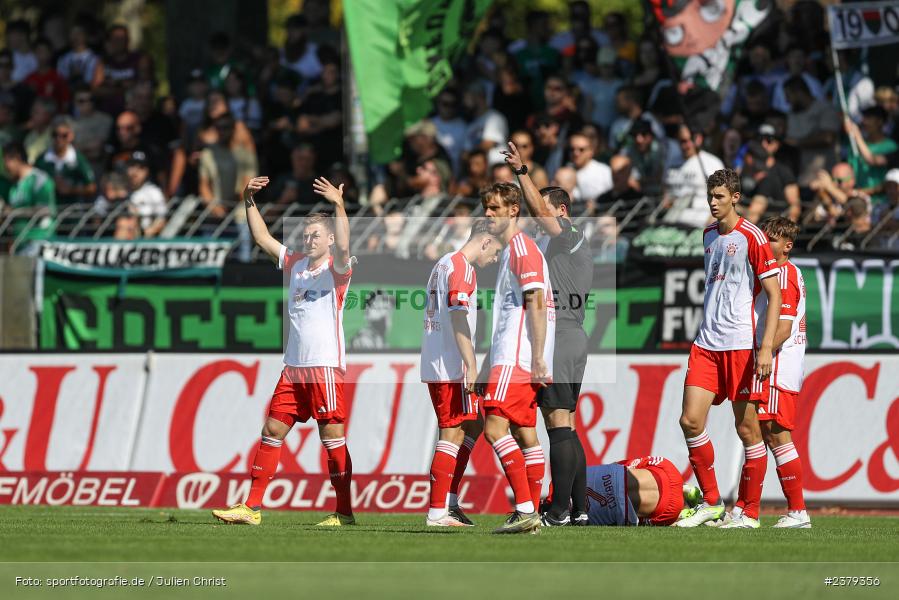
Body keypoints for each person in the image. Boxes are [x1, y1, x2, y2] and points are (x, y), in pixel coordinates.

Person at [213, 175, 356, 527]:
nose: (308, 240)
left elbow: (344, 243)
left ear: (331, 239)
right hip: (293, 369)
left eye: (316, 235)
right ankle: (252, 507)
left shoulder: (338, 270)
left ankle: (344, 511)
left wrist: (338, 205)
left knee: (332, 439)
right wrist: (247, 200)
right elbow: (262, 238)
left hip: (324, 367)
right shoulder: (295, 265)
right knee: (272, 431)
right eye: (306, 235)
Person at [675, 168, 782, 529]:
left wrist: (765, 347)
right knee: (690, 420)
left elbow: (774, 294)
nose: (713, 203)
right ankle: (711, 502)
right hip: (707, 343)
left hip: (741, 345)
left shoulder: (753, 236)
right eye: (710, 196)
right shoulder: (707, 235)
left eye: (719, 197)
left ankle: (749, 512)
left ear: (735, 197)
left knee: (748, 430)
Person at [504, 141, 593, 527]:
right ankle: (578, 508)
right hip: (573, 335)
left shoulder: (569, 233)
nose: (537, 213)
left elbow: (542, 213)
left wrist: (522, 173)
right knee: (567, 424)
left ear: (562, 210)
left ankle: (556, 510)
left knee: (557, 423)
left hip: (563, 334)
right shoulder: (554, 244)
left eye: (545, 207)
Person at [474, 182, 555, 535]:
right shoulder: (512, 251)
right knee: (526, 434)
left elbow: (536, 303)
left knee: (494, 429)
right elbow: (510, 312)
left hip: (517, 356)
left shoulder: (523, 249)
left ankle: (524, 509)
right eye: (486, 208)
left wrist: (537, 357)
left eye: (494, 208)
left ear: (513, 211)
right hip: (512, 354)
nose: (488, 214)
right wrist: (485, 362)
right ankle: (532, 513)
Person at [421, 219, 501, 527]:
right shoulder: (462, 269)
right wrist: (471, 364)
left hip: (440, 360)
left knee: (474, 424)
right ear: (484, 242)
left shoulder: (445, 262)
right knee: (452, 432)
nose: (494, 259)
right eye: (495, 251)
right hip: (450, 364)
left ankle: (450, 501)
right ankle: (438, 511)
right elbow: (457, 317)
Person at [737, 217, 810, 529]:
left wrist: (762, 353)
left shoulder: (783, 274)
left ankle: (797, 511)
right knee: (764, 432)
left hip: (778, 363)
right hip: (777, 361)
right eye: (765, 239)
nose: (767, 245)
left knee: (776, 434)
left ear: (788, 246)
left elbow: (784, 325)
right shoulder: (782, 271)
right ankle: (745, 507)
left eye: (774, 241)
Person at [544, 456, 689, 526]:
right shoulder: (672, 512)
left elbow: (627, 465)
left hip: (615, 477)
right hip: (624, 509)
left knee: (561, 493)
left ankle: (544, 507)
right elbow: (643, 523)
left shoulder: (668, 466)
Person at [662, 123, 725, 228]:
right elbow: (665, 189)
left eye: (687, 141)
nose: (684, 146)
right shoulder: (671, 162)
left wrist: (712, 224)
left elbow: (723, 198)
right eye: (681, 141)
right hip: (671, 222)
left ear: (698, 139)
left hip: (700, 223)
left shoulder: (712, 163)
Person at [1, 141, 56, 241]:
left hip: (40, 241)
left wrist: (14, 212)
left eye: (6, 161)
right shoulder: (14, 186)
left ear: (17, 158)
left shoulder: (40, 180)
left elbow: (45, 210)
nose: (5, 166)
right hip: (19, 244)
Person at [34, 115, 96, 205]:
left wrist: (71, 189)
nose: (59, 139)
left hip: (72, 212)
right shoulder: (42, 159)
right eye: (55, 135)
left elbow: (91, 187)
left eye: (64, 135)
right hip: (47, 210)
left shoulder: (78, 159)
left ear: (71, 136)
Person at [844, 107, 898, 204]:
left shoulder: (891, 146)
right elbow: (850, 173)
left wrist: (857, 136)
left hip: (883, 202)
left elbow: (872, 160)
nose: (864, 121)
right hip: (858, 201)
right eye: (864, 118)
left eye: (869, 118)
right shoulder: (854, 146)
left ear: (880, 121)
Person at [568, 131, 612, 212]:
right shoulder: (565, 170)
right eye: (572, 149)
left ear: (591, 151)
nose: (576, 153)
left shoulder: (604, 171)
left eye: (581, 149)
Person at [125, 151, 166, 238]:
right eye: (132, 166)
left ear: (147, 171)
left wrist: (145, 234)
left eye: (141, 168)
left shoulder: (154, 192)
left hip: (144, 240)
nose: (135, 172)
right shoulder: (119, 191)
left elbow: (161, 220)